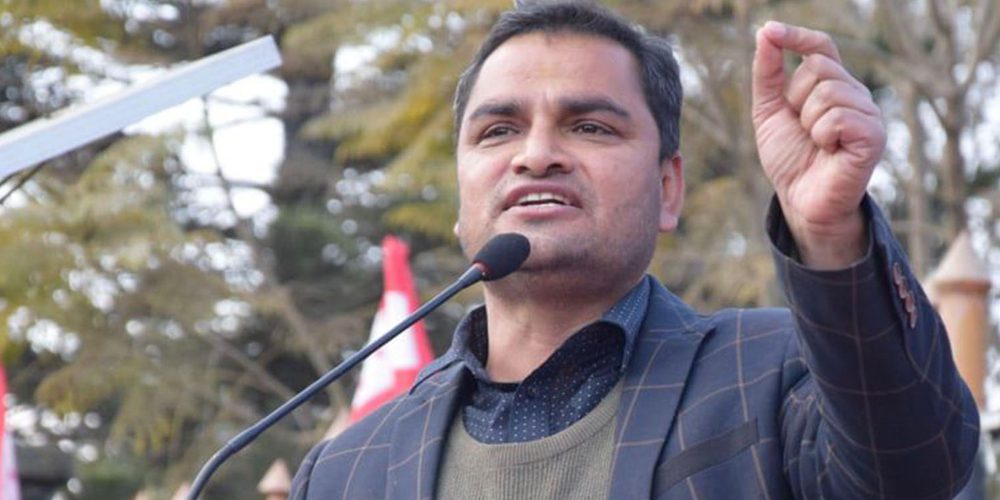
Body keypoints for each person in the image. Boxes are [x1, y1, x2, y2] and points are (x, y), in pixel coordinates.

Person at [290, 1, 979, 498]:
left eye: (589, 126)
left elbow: (913, 468)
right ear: (459, 195)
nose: (536, 154)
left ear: (668, 187)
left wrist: (828, 230)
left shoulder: (781, 374)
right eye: (498, 131)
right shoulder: (345, 472)